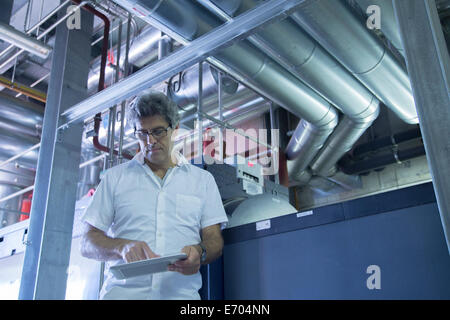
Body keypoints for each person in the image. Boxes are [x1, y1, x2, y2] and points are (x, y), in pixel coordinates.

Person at [80, 90, 228, 300]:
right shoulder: (115, 178)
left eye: (158, 131)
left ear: (175, 129)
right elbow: (87, 242)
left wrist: (200, 252)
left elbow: (214, 240)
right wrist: (121, 246)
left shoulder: (202, 181)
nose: (150, 141)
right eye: (142, 133)